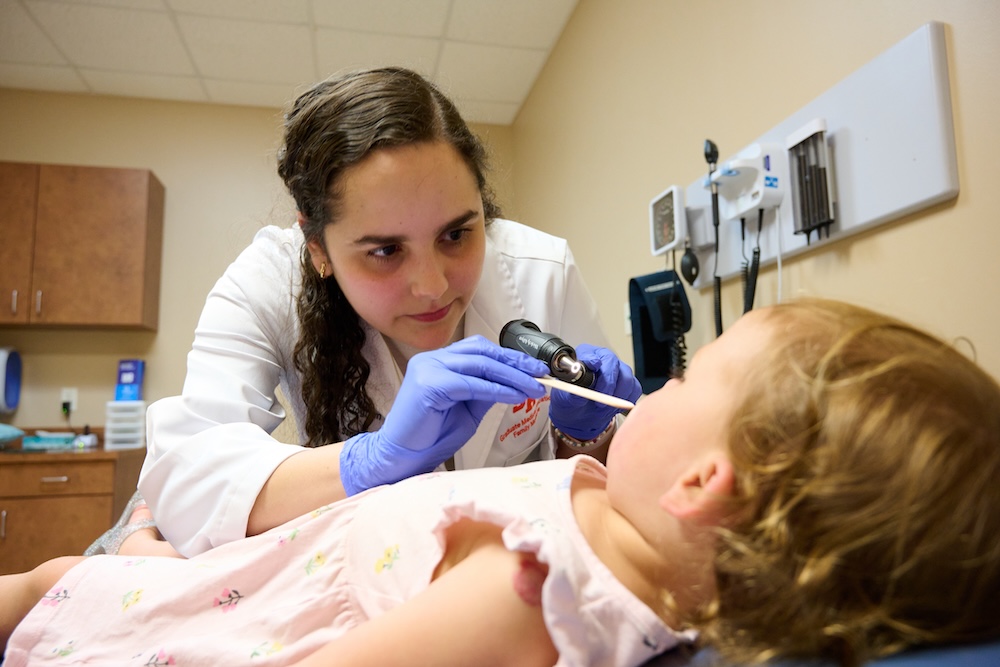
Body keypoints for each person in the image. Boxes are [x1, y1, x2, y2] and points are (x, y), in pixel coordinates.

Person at [6, 298, 999, 667]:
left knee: (52, 582)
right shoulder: (617, 529)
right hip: (268, 565)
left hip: (248, 608)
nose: (655, 384)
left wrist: (174, 584)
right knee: (66, 574)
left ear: (699, 481)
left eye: (685, 378)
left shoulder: (531, 590)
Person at [84, 66, 641, 558]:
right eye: (384, 250)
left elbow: (605, 473)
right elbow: (189, 473)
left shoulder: (541, 269)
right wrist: (370, 460)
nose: (432, 286)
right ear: (319, 247)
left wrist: (584, 435)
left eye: (456, 233)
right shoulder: (266, 282)